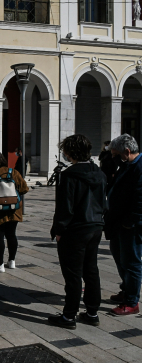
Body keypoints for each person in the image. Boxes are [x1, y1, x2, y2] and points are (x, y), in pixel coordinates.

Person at [47, 134, 106, 329]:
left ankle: (69, 316)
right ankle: (92, 311)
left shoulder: (70, 175)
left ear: (70, 152)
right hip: (95, 225)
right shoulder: (99, 172)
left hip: (75, 229)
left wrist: (58, 229)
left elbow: (65, 206)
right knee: (91, 270)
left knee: (72, 274)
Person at [105, 134, 142, 316]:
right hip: (119, 223)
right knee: (120, 257)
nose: (114, 158)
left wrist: (130, 222)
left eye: (116, 154)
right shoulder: (127, 165)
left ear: (127, 152)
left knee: (131, 262)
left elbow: (140, 201)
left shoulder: (139, 167)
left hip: (131, 226)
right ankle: (126, 289)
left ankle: (132, 301)